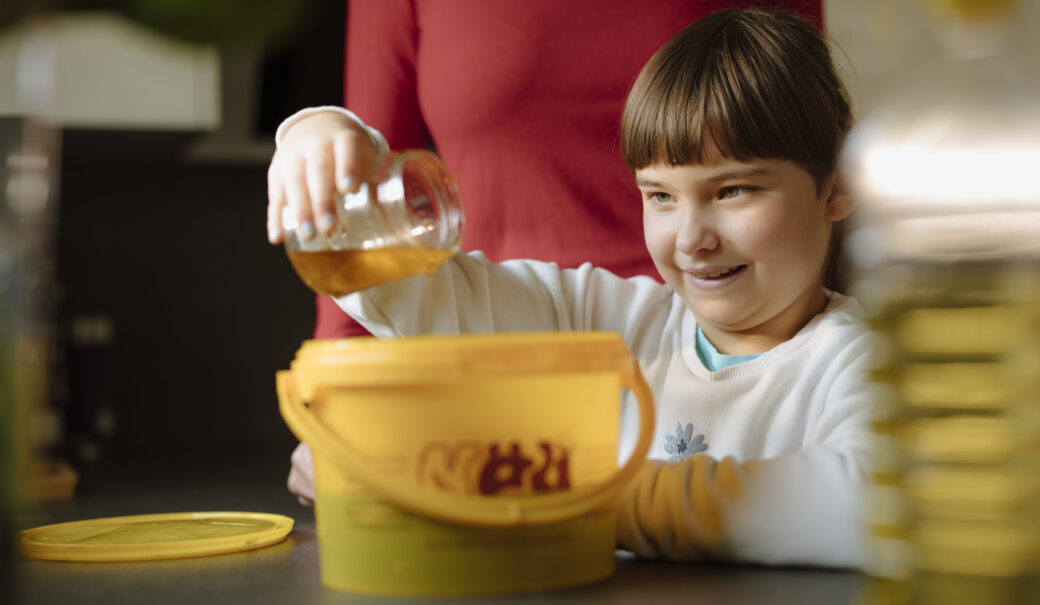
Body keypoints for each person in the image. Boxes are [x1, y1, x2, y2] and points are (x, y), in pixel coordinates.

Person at [270, 7, 870, 567]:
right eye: (660, 196)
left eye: (733, 190)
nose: (691, 239)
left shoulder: (865, 357)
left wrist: (574, 497)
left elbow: (873, 500)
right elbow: (415, 295)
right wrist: (327, 146)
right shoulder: (601, 318)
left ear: (837, 188)